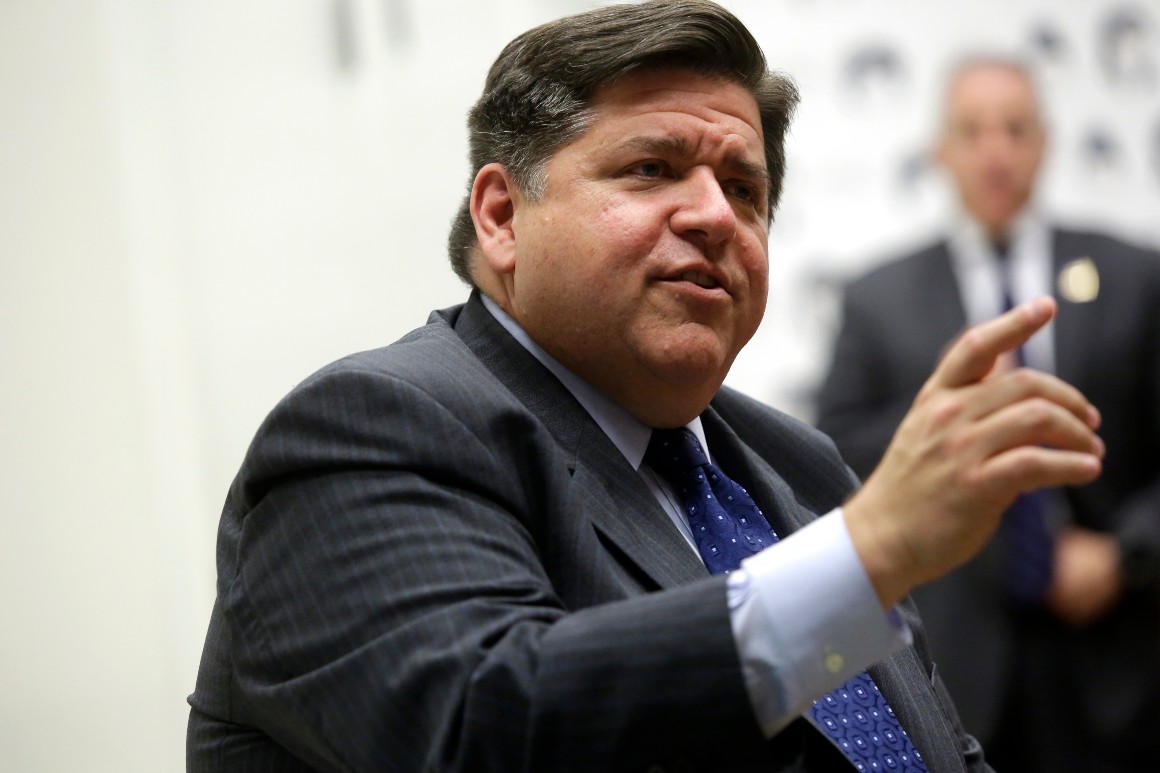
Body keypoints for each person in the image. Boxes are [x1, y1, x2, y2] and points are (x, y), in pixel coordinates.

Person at [187, 7, 1104, 771]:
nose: (714, 215)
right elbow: (484, 730)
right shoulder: (372, 426)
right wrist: (868, 551)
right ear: (503, 216)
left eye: (744, 190)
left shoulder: (797, 463)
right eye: (650, 169)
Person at [815, 56, 1160, 773]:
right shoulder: (878, 298)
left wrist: (1125, 554)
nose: (995, 151)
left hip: (1116, 656)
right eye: (973, 131)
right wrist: (943, 408)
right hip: (951, 655)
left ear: (1045, 143)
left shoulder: (1133, 276)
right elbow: (830, 460)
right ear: (941, 150)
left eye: (1016, 128)